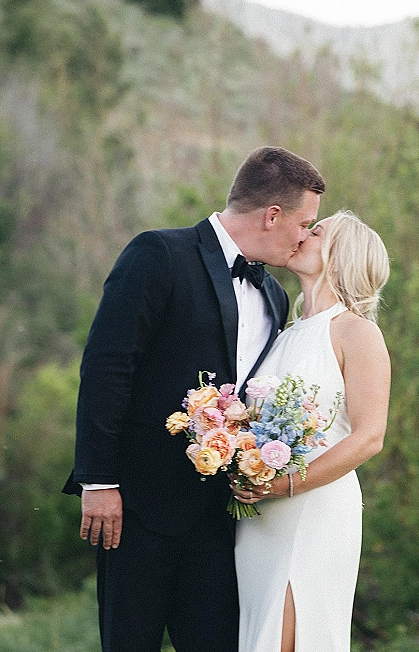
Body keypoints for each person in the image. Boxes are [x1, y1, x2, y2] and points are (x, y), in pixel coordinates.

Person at [62, 146, 325, 652]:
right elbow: (106, 366)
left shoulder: (275, 296)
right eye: (304, 223)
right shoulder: (158, 254)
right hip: (135, 509)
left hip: (221, 521)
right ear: (272, 216)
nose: (306, 236)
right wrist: (98, 480)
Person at [233, 210, 391, 652]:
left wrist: (285, 485)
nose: (301, 234)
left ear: (341, 257)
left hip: (314, 508)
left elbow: (369, 436)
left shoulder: (357, 333)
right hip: (259, 520)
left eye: (315, 231)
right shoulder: (283, 333)